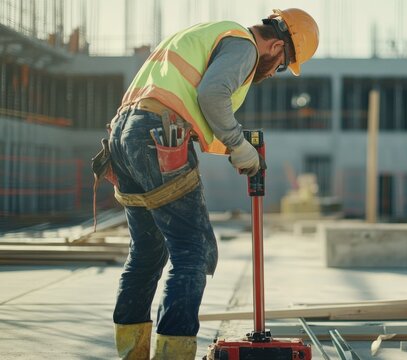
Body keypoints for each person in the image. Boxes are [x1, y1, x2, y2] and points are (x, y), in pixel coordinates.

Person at [107, 8, 319, 359]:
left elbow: (188, 104)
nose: (274, 72)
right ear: (279, 48)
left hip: (123, 137)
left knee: (147, 253)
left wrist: (238, 148)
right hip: (158, 138)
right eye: (282, 65)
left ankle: (132, 353)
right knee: (194, 252)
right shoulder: (244, 46)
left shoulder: (209, 34)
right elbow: (212, 95)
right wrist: (238, 144)